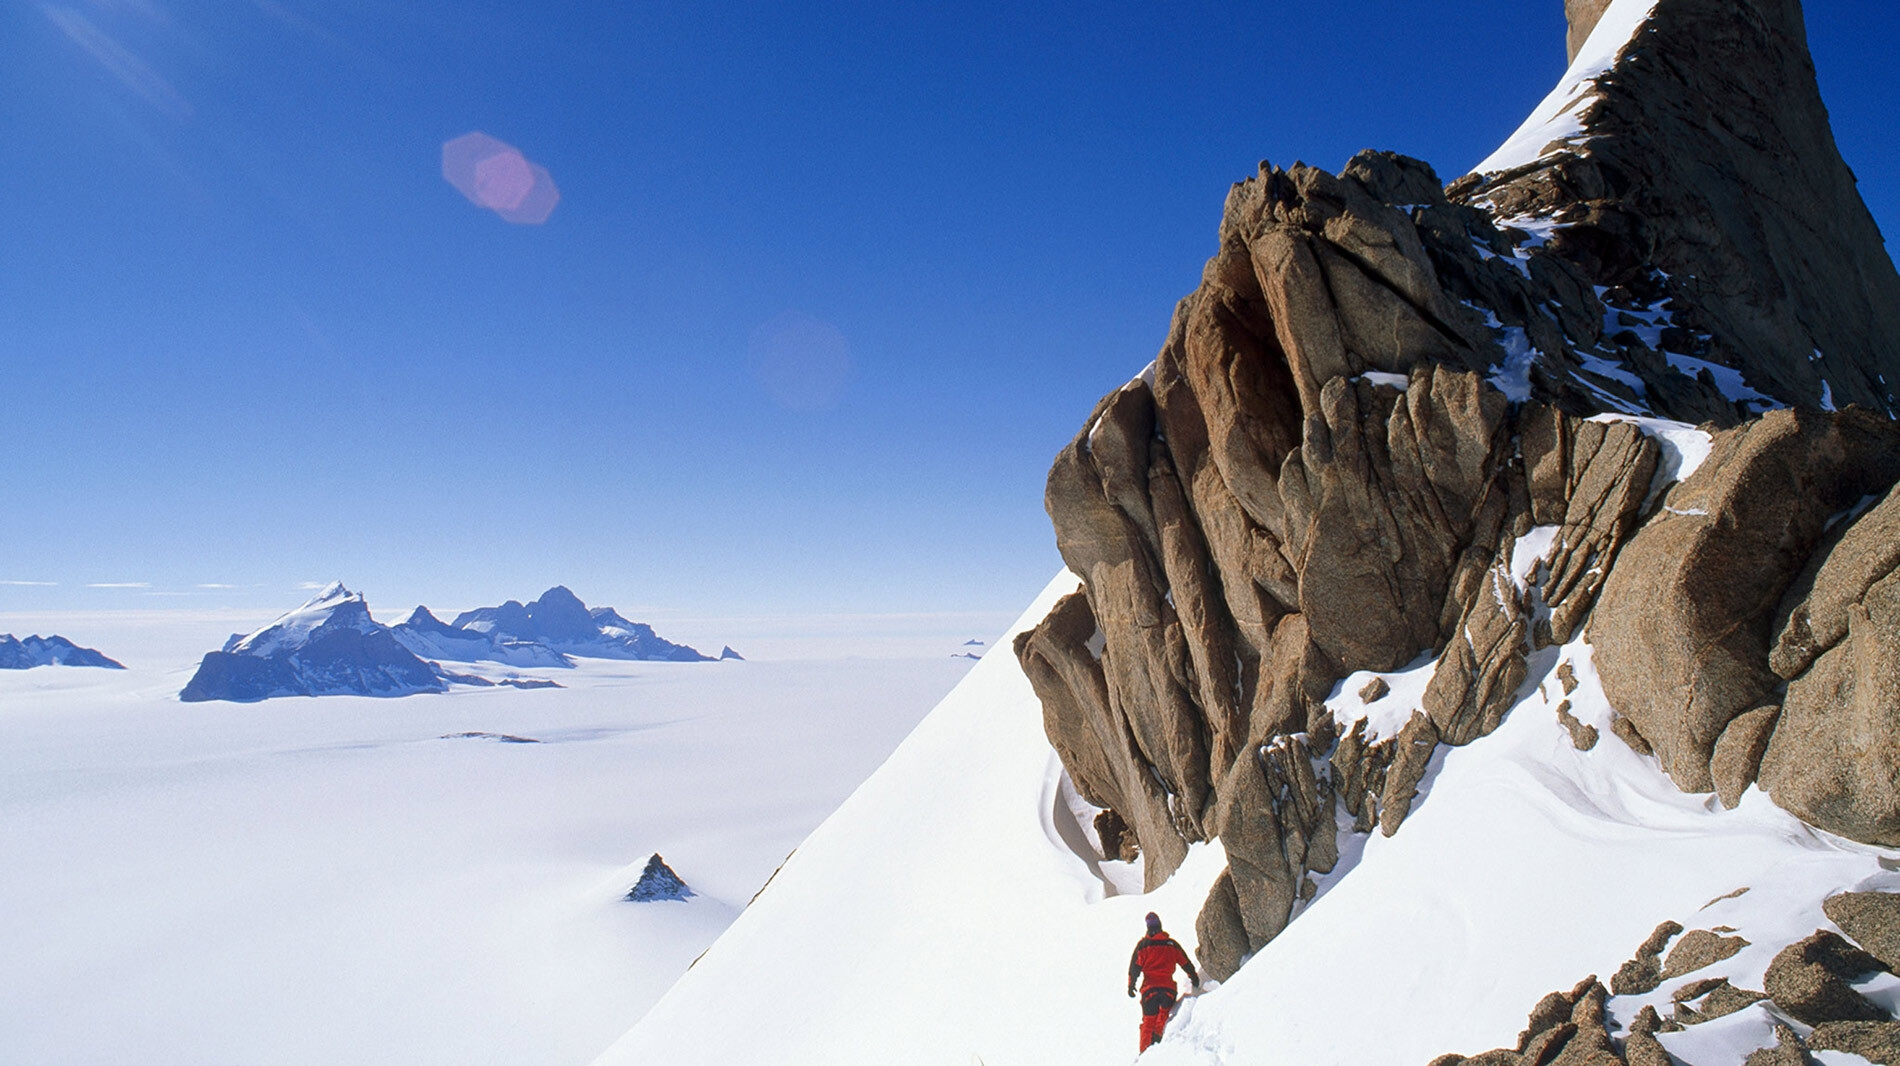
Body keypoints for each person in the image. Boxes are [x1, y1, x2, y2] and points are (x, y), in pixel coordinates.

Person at [1126, 911, 1199, 1052]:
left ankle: (1146, 1055)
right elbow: (1185, 962)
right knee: (1163, 1018)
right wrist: (1193, 976)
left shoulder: (1143, 946)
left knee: (1148, 1023)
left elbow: (1134, 967)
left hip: (1149, 991)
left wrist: (1131, 985)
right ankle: (1159, 1042)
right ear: (1160, 925)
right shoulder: (1171, 945)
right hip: (1168, 990)